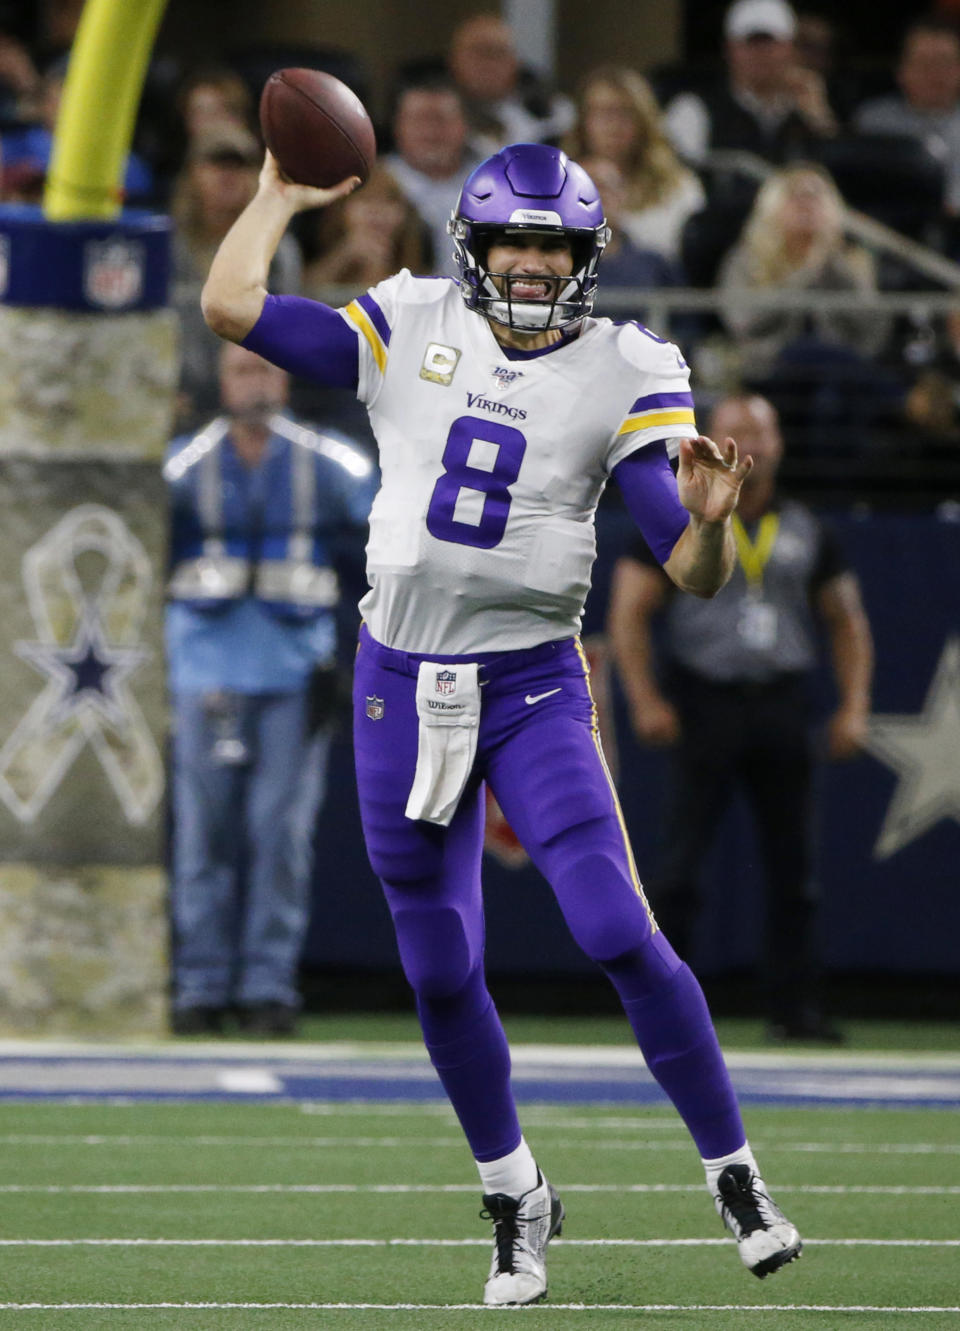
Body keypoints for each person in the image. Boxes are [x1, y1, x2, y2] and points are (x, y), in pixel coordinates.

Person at [199, 140, 804, 1305]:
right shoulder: (411, 315)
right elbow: (232, 306)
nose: (532, 264)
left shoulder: (630, 364)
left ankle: (736, 1177)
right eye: (515, 241)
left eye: (554, 244)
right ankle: (516, 1195)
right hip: (397, 680)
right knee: (438, 967)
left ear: (589, 255)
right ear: (476, 248)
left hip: (530, 684)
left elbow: (690, 572)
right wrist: (276, 196)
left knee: (614, 924)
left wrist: (716, 521)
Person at [608, 393, 873, 1041]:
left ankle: (796, 1008)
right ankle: (665, 1009)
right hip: (704, 699)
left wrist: (855, 703)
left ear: (779, 444)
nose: (747, 441)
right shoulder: (678, 514)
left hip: (781, 698)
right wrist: (643, 697)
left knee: (795, 871)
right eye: (734, 429)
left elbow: (846, 621)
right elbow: (628, 611)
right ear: (706, 440)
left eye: (759, 430)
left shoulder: (809, 528)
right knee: (678, 868)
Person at [164, 341, 374, 1037]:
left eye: (265, 368)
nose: (255, 382)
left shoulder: (329, 459)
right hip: (204, 666)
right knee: (203, 835)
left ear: (284, 378)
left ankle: (266, 985)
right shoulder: (185, 461)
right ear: (220, 382)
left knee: (281, 835)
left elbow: (385, 514)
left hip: (291, 667)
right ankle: (198, 984)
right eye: (241, 370)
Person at [170, 121, 302, 430]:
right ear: (194, 173)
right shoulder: (168, 246)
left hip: (254, 396)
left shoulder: (278, 249)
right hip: (184, 398)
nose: (228, 176)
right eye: (217, 165)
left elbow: (285, 333)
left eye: (240, 166)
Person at [664, 0, 837, 167]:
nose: (761, 54)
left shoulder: (806, 111)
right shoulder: (694, 109)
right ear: (729, 49)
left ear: (791, 49)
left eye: (770, 44)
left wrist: (819, 120)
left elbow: (843, 179)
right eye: (750, 43)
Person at [565, 66, 705, 262]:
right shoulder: (558, 187)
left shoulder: (679, 188)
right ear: (582, 122)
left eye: (625, 113)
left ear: (644, 121)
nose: (613, 125)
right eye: (601, 113)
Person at [853, 18, 960, 214]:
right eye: (925, 63)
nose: (935, 73)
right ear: (901, 71)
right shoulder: (872, 122)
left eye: (945, 62)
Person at [382, 77, 484, 278]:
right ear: (397, 126)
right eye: (418, 119)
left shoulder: (494, 183)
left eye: (441, 119)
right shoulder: (372, 183)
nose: (430, 132)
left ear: (465, 125)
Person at [446, 12, 576, 153]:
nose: (487, 64)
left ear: (515, 60)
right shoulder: (437, 115)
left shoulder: (556, 111)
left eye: (497, 53)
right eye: (478, 53)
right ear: (454, 60)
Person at [304, 163, 432, 294]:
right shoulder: (310, 254)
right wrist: (343, 256)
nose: (377, 211)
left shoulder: (425, 278)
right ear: (341, 210)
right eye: (365, 199)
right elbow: (302, 294)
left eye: (389, 200)